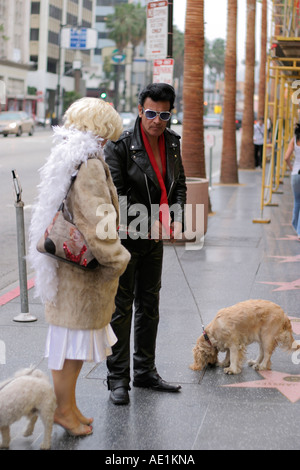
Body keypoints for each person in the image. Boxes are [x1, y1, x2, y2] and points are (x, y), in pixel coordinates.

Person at [28, 97, 130, 436]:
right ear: (102, 128)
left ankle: (68, 407)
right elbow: (96, 219)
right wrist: (118, 259)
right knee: (70, 350)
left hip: (67, 273)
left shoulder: (73, 155)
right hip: (81, 275)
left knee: (70, 347)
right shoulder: (89, 164)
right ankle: (62, 411)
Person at [104, 83, 187, 405]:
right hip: (125, 238)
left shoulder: (173, 143)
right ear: (140, 110)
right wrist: (145, 223)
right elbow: (116, 194)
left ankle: (145, 372)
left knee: (150, 305)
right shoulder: (121, 145)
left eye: (164, 114)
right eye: (151, 113)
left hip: (153, 239)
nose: (157, 120)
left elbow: (178, 185)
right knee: (121, 308)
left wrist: (177, 217)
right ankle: (117, 379)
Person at [284, 123, 300, 240]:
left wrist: (291, 167)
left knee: (297, 201)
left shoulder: (294, 140)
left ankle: (295, 225)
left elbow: (286, 157)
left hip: (295, 174)